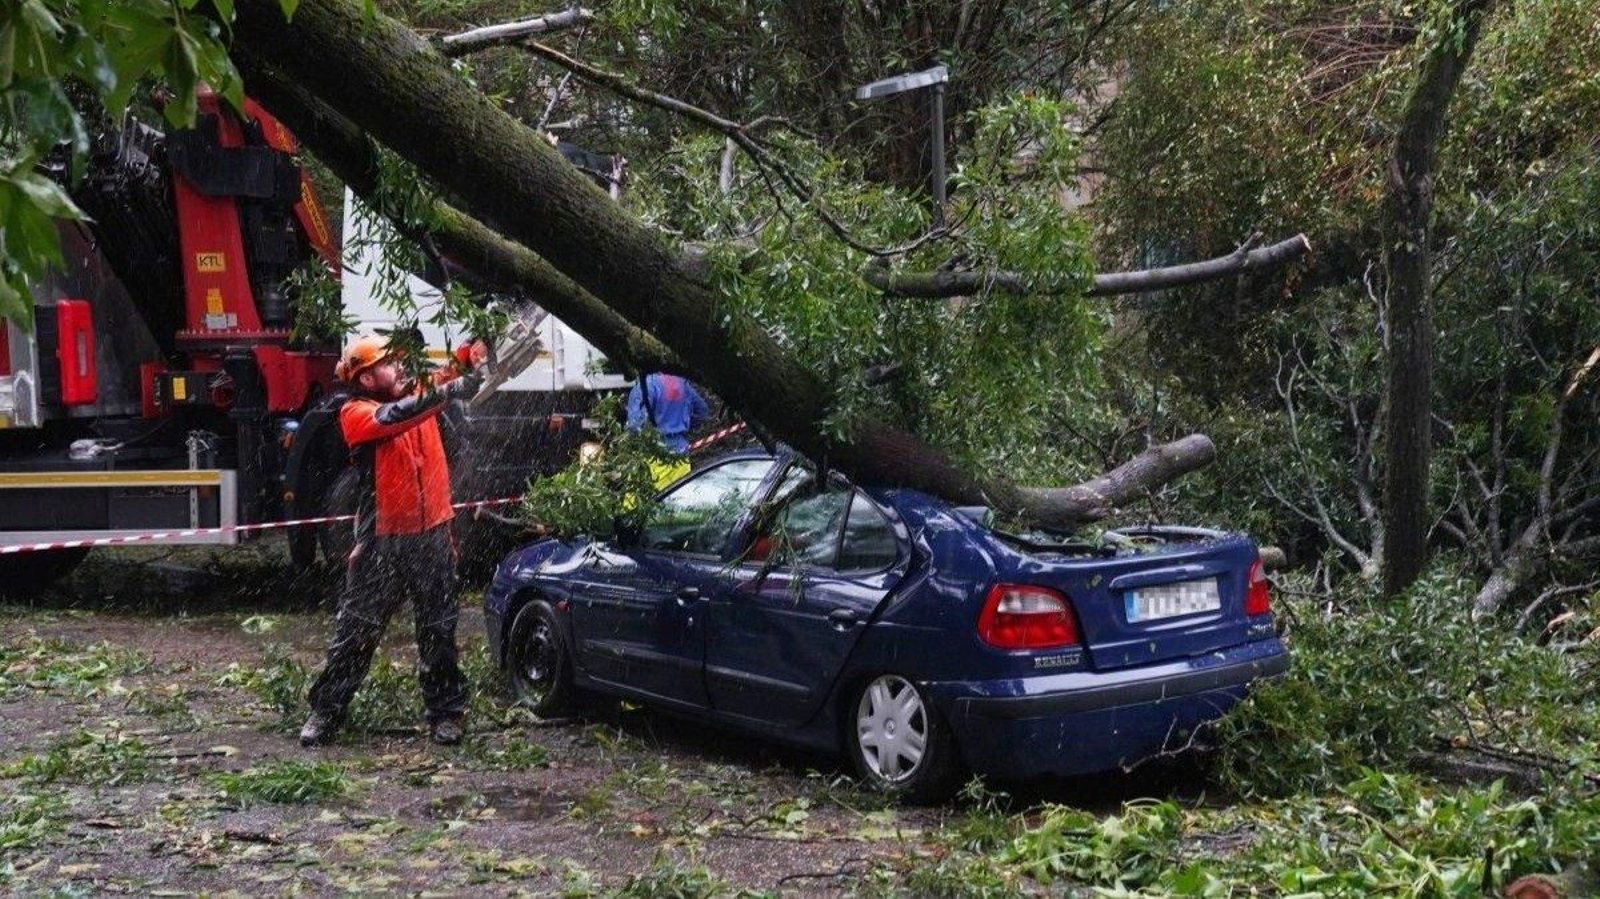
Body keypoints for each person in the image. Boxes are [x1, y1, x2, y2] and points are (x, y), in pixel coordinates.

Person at [299, 334, 486, 747]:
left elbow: (447, 374)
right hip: (381, 543)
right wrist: (447, 392)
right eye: (390, 363)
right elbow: (405, 413)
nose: (401, 367)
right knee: (357, 632)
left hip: (433, 533)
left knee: (439, 629)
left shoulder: (418, 388)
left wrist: (469, 353)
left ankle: (446, 712)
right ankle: (326, 711)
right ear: (366, 379)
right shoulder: (356, 413)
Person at [626, 373, 711, 486]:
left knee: (639, 501)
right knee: (679, 498)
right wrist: (683, 426)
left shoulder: (645, 386)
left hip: (652, 458)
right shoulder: (682, 383)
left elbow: (635, 425)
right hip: (680, 456)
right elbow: (703, 412)